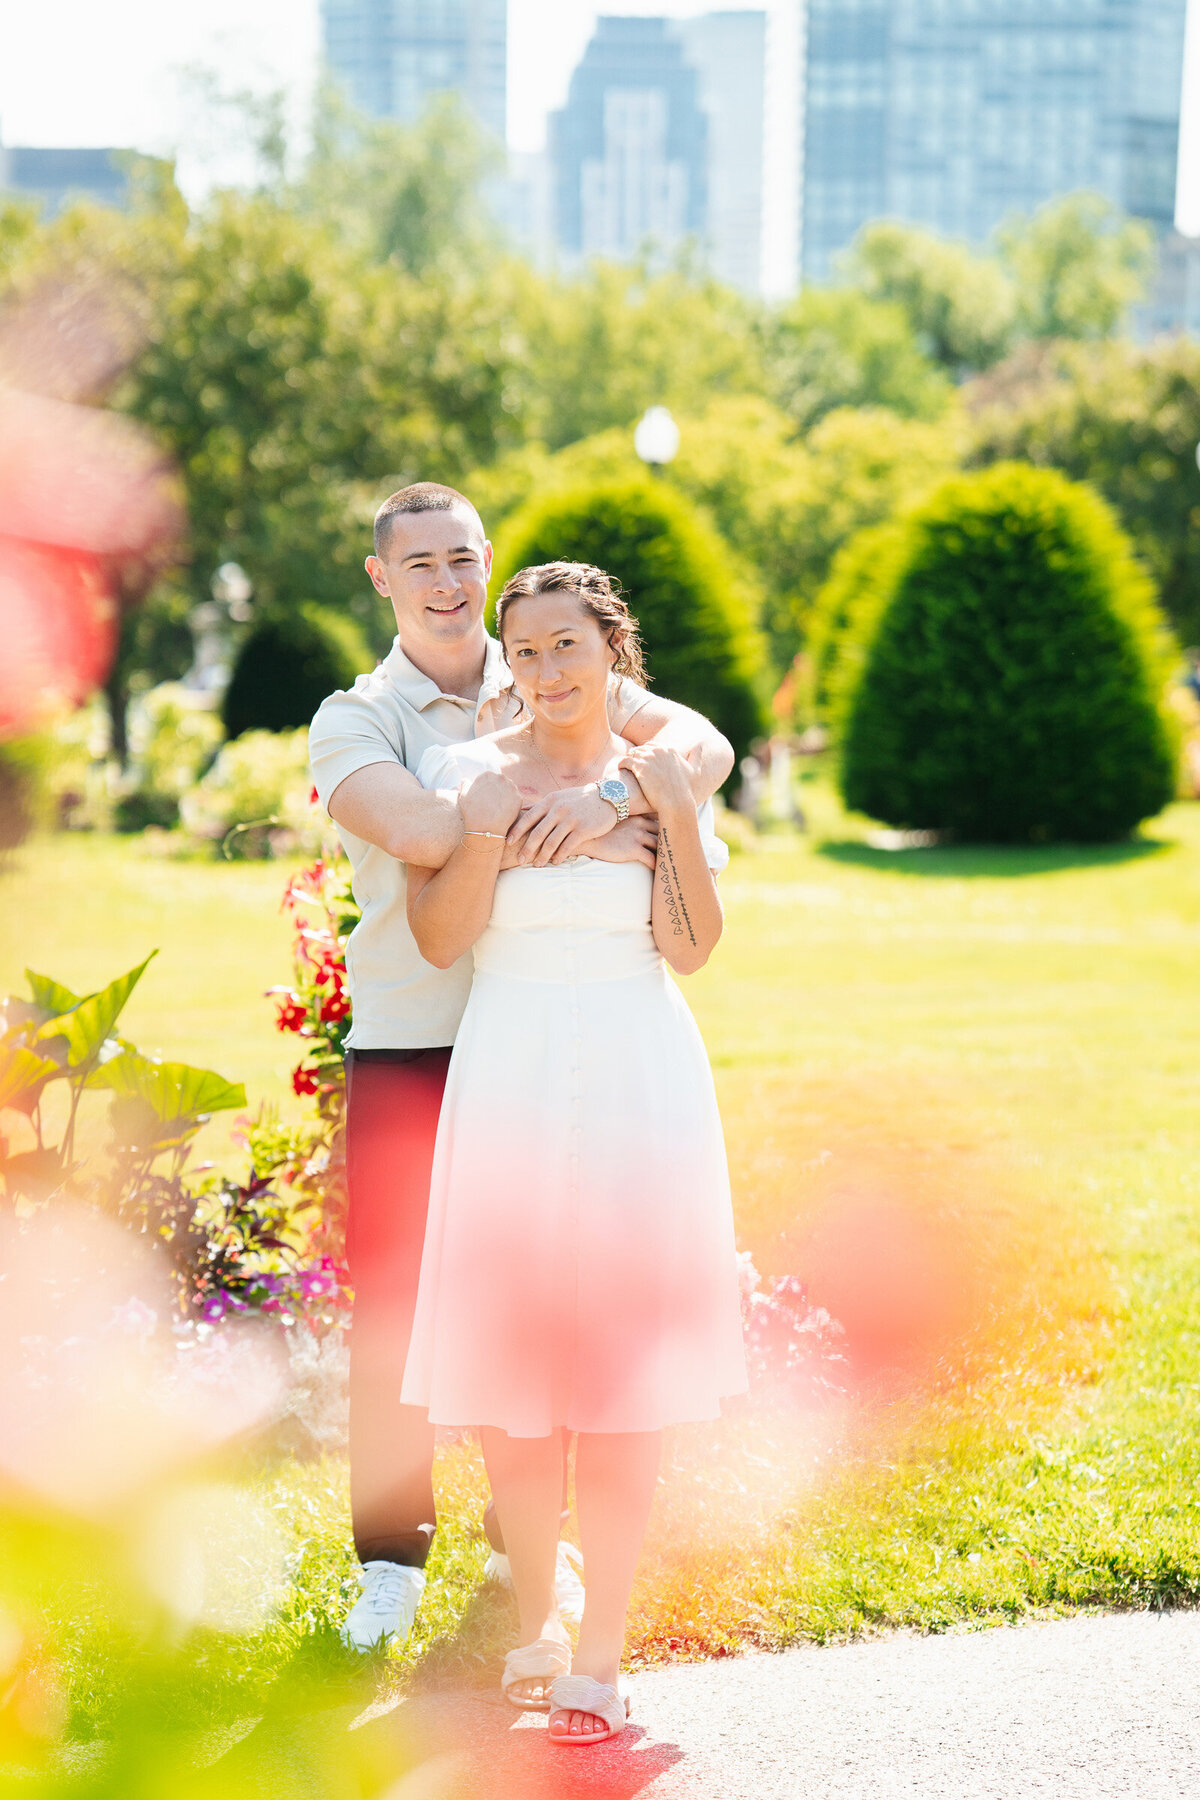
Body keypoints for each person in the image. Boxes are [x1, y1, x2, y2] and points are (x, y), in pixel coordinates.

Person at [308, 483, 735, 1651]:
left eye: (462, 560)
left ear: (486, 561)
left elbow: (701, 747)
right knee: (402, 1312)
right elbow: (433, 834)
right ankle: (391, 1563)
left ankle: (529, 1562)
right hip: (419, 1034)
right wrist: (565, 800)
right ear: (381, 578)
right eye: (422, 566)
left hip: (556, 1043)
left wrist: (607, 794)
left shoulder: (550, 667)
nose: (447, 584)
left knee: (553, 1295)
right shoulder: (355, 718)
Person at [404, 561, 746, 1746]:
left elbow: (694, 947)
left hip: (637, 1075)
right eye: (528, 652)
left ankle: (603, 1656)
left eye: (567, 646)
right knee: (514, 1380)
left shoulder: (657, 776)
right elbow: (442, 938)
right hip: (509, 1069)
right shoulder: (467, 778)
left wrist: (666, 824)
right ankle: (539, 1621)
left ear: (613, 650)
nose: (547, 671)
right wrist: (490, 842)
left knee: (618, 1377)